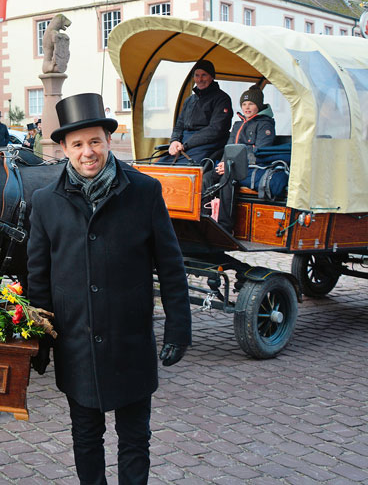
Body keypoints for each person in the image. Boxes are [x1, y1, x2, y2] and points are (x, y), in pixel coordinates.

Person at [27, 93, 192, 485]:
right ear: (64, 148)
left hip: (130, 339)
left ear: (108, 141)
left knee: (135, 438)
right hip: (76, 342)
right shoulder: (45, 202)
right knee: (86, 437)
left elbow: (170, 265)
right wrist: (41, 340)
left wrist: (178, 326)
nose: (89, 152)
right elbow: (38, 276)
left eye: (96, 141)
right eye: (79, 144)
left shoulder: (143, 191)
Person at [202, 84, 276, 231]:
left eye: (251, 104)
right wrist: (223, 163)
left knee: (226, 179)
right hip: (230, 165)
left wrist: (231, 165)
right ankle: (204, 219)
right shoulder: (237, 124)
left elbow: (260, 151)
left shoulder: (265, 124)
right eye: (244, 104)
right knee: (206, 177)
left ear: (259, 106)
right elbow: (228, 147)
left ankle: (224, 225)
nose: (247, 107)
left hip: (251, 166)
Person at [163, 60, 232, 164]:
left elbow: (216, 129)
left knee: (185, 169)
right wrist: (174, 141)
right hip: (184, 143)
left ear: (212, 77)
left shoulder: (222, 99)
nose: (200, 79)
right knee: (159, 165)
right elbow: (179, 125)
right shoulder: (189, 100)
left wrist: (186, 144)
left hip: (207, 144)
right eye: (197, 75)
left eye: (204, 75)